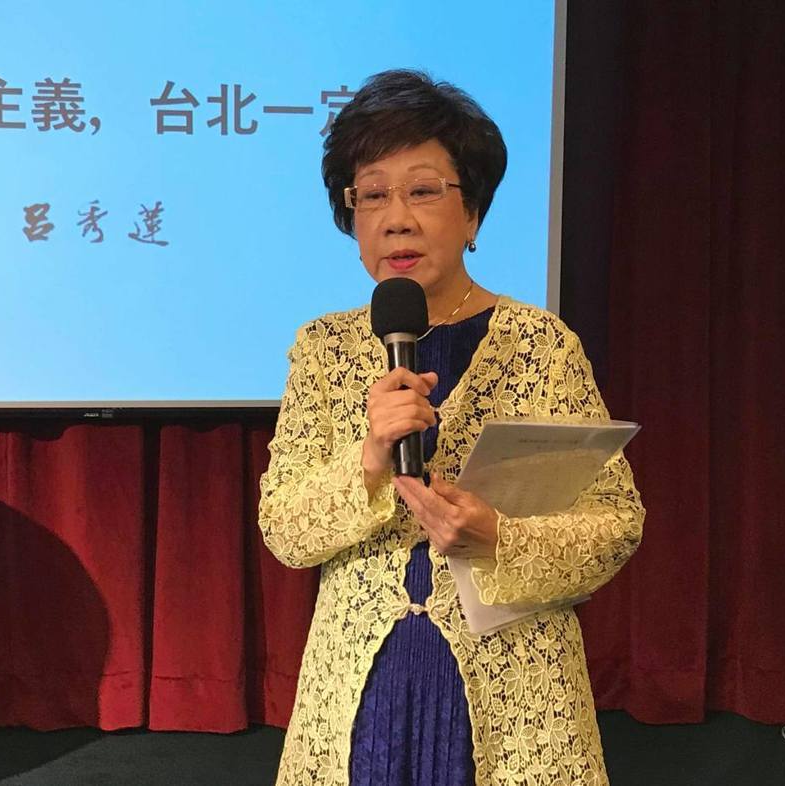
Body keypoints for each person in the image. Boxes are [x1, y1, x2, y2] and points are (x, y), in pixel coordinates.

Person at [258, 69, 644, 786]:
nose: (396, 219)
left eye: (424, 191)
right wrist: (368, 459)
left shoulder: (539, 344)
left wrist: (497, 537)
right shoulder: (323, 348)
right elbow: (284, 531)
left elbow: (614, 525)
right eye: (372, 195)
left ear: (473, 215)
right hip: (360, 690)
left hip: (515, 686)